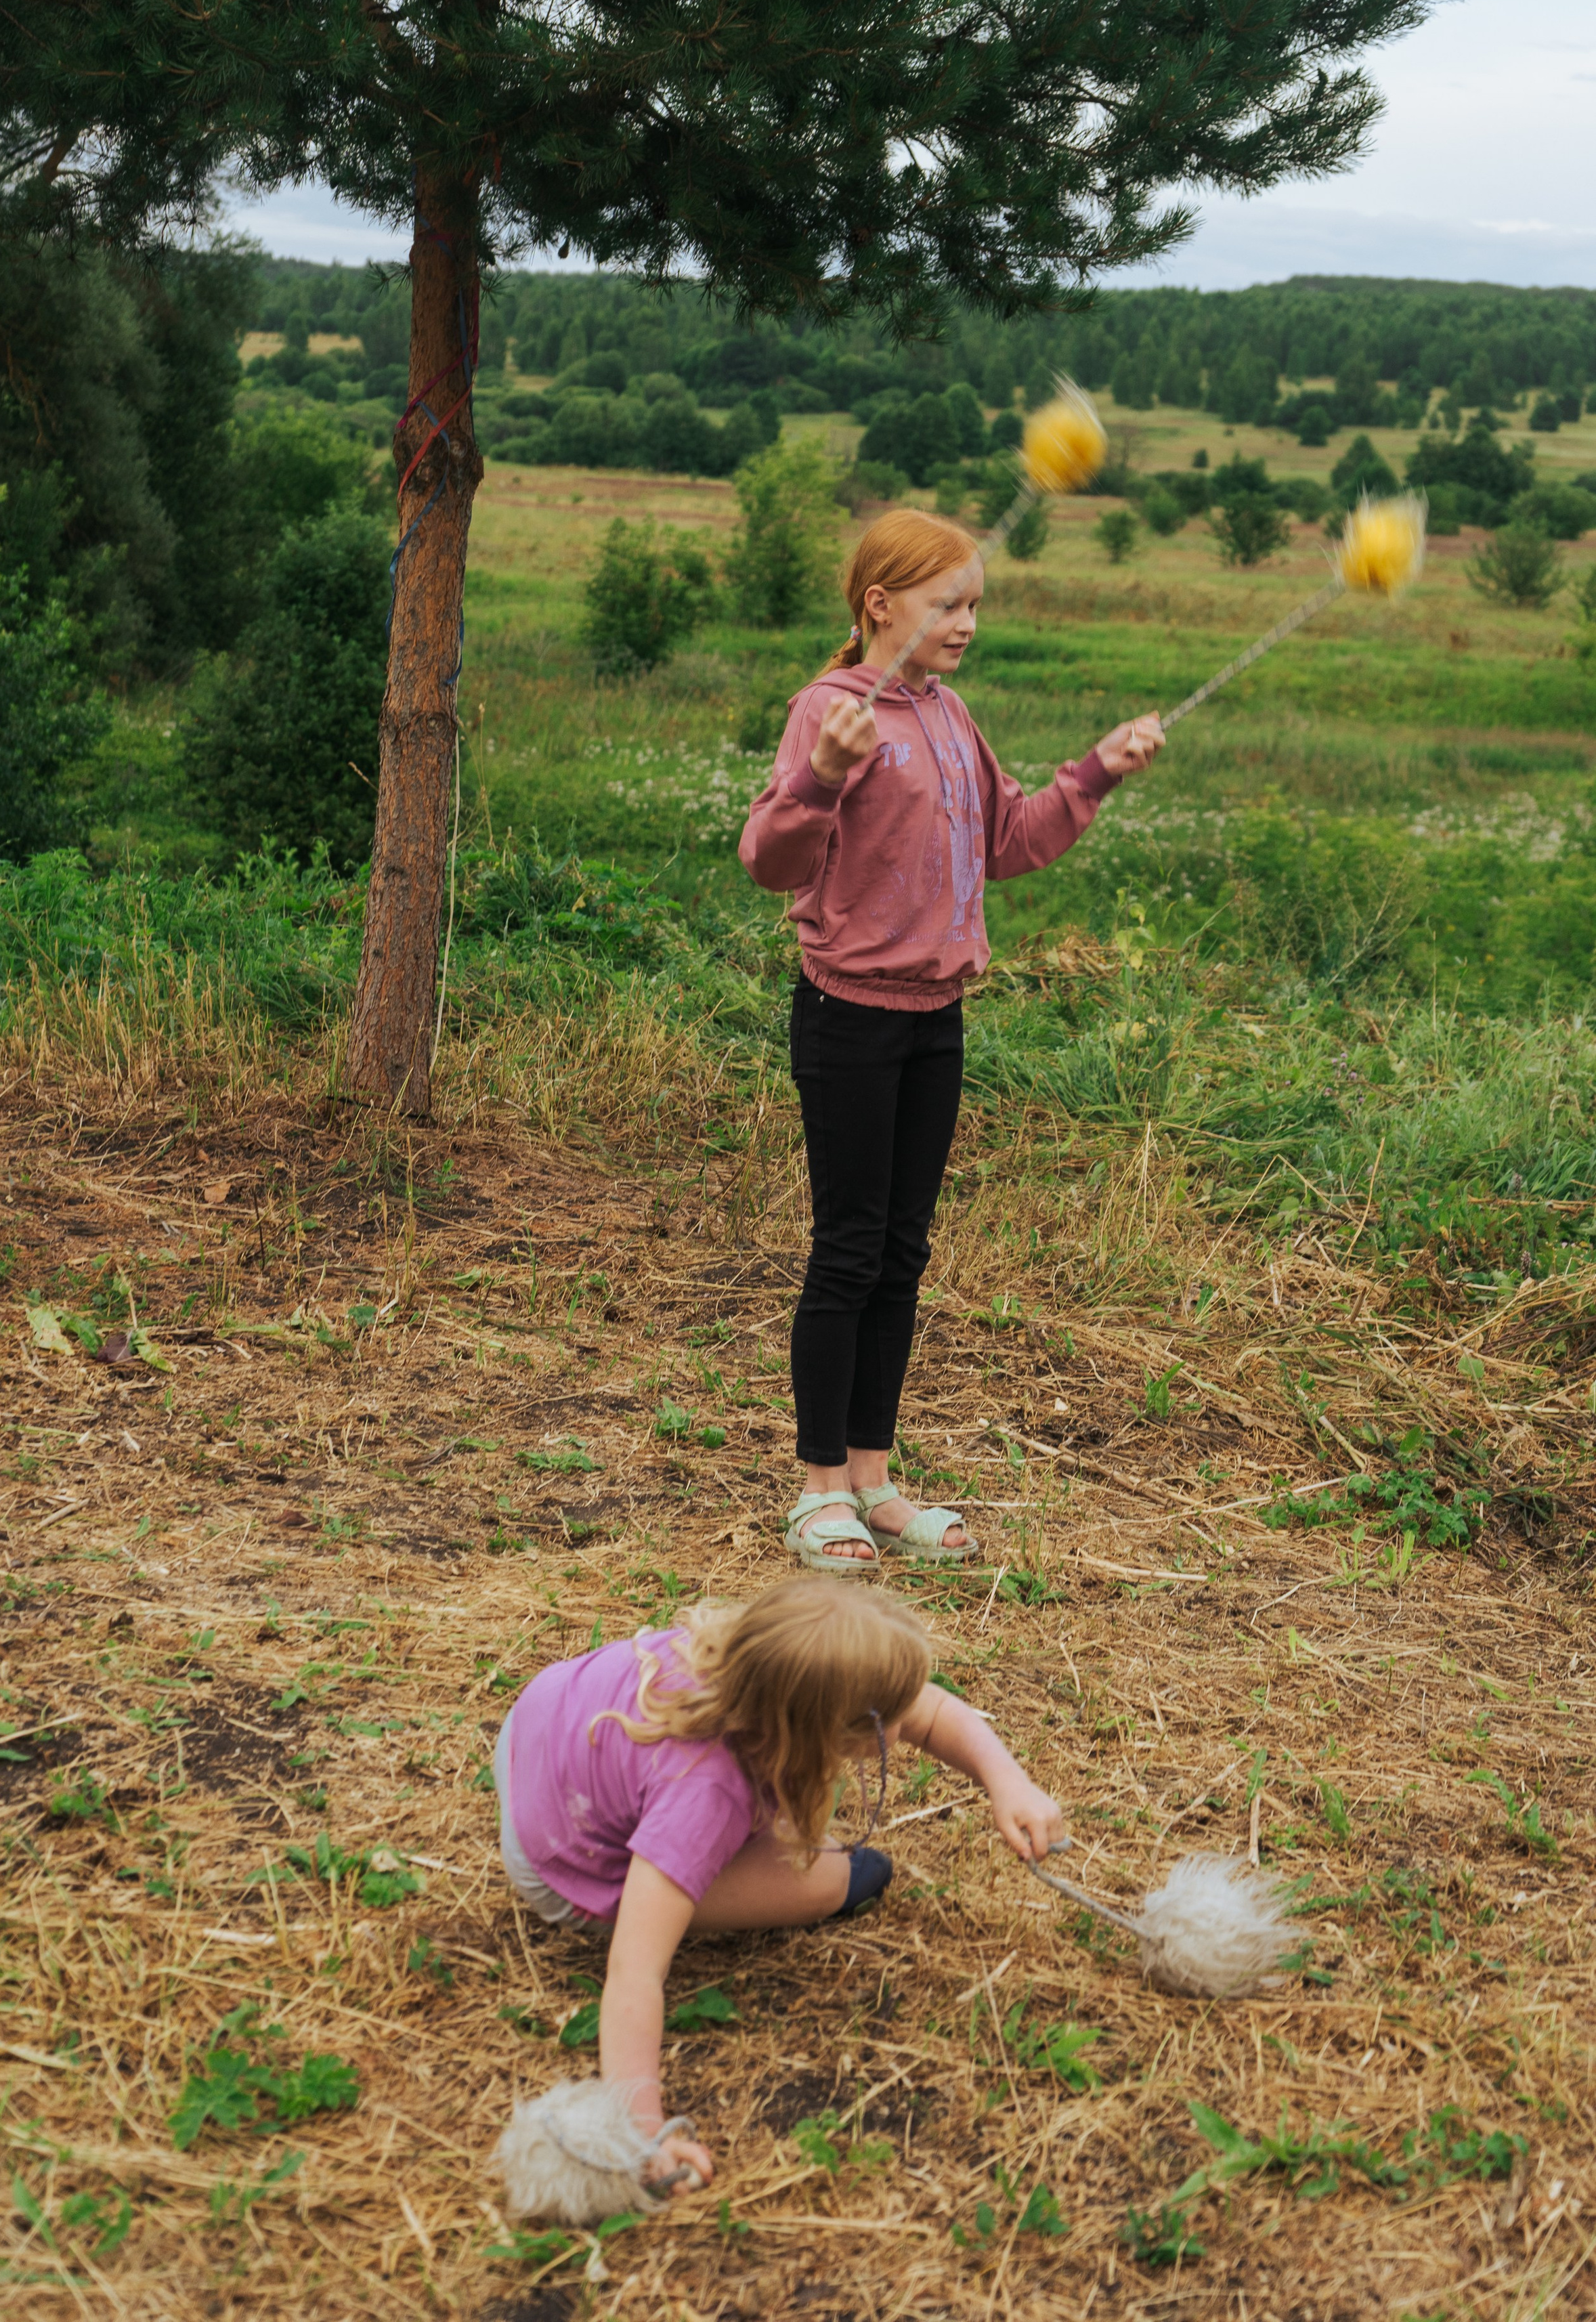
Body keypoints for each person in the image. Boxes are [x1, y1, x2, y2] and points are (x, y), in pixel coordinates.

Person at [738, 508, 1163, 1571]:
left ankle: (874, 1483)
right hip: (849, 1017)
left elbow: (1008, 841)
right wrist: (820, 777)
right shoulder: (830, 712)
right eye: (949, 605)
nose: (969, 623)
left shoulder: (950, 713)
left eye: (976, 604)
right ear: (881, 605)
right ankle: (818, 1493)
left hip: (936, 1019)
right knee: (847, 1249)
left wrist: (1096, 772)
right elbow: (770, 861)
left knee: (902, 1252)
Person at [494, 1578, 1066, 2193]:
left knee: (784, 1838)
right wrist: (642, 2134)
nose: (907, 1726)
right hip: (556, 1857)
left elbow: (928, 1709)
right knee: (831, 1876)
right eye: (887, 1723)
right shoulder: (705, 1793)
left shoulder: (751, 1659)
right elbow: (635, 1972)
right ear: (821, 1732)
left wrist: (1007, 1781)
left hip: (533, 1728)